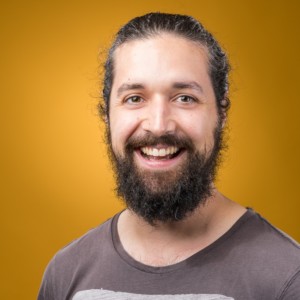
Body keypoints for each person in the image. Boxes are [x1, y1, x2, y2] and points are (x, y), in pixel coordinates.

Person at [38, 12, 300, 300]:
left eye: (185, 98)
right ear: (107, 114)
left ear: (221, 113)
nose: (159, 124)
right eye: (134, 98)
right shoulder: (66, 273)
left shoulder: (287, 276)